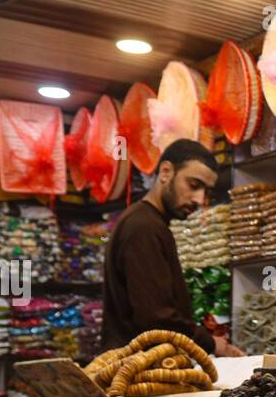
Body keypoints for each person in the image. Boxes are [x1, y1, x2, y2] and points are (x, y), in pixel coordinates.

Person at [100, 138, 243, 356]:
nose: (199, 199)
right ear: (166, 172)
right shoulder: (144, 227)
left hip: (140, 368)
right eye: (193, 185)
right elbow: (157, 318)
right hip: (136, 372)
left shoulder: (149, 223)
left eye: (207, 192)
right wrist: (211, 344)